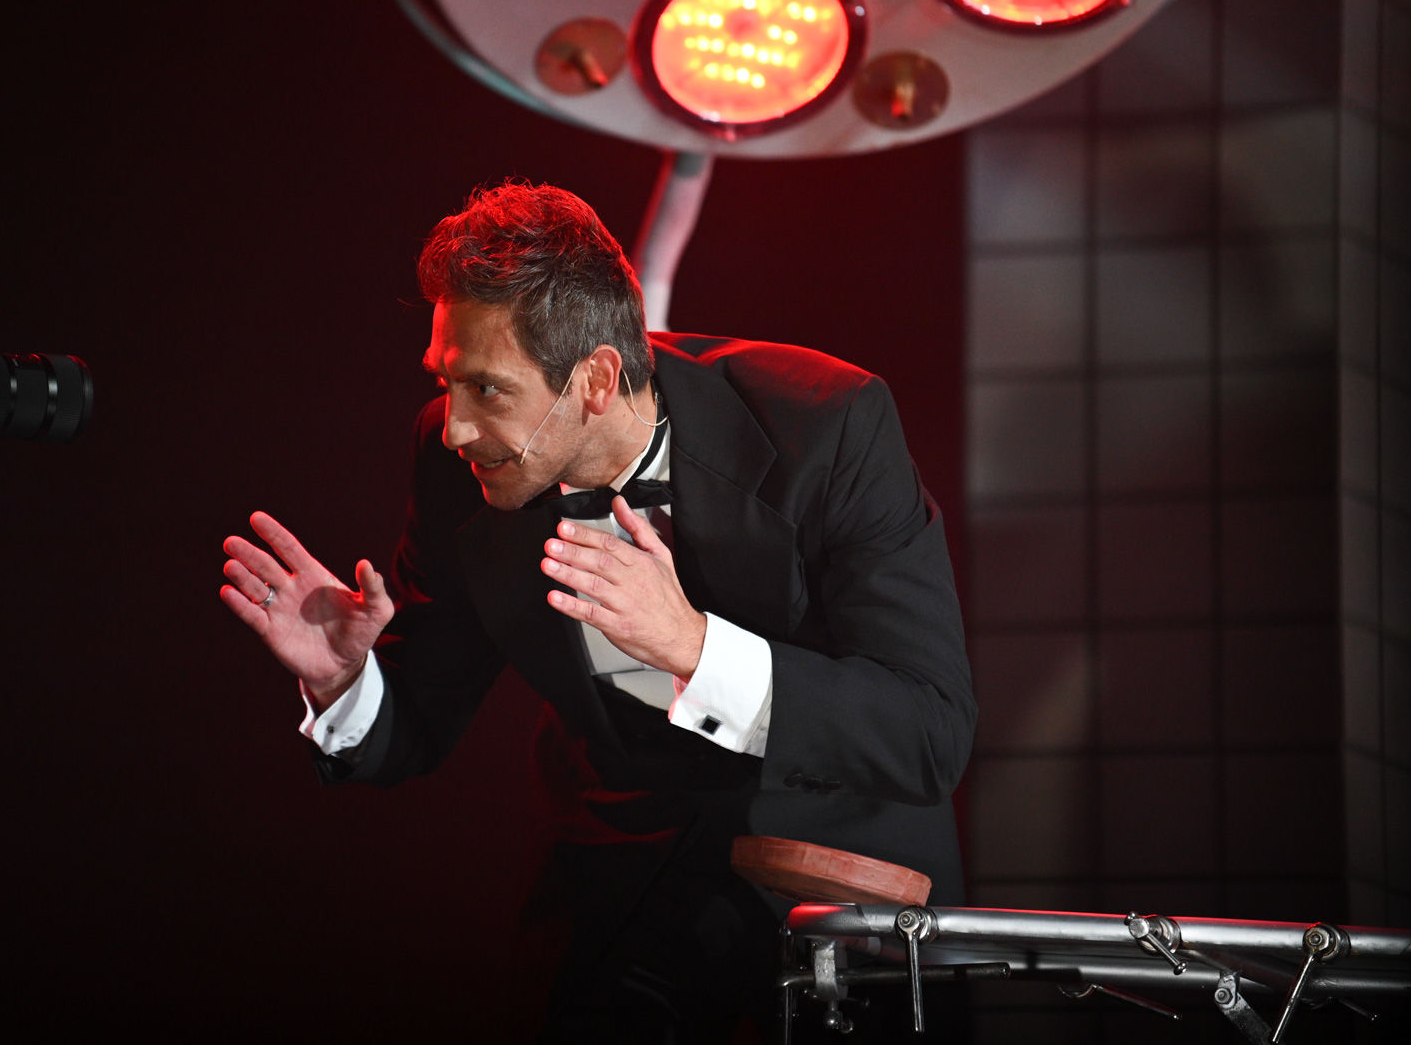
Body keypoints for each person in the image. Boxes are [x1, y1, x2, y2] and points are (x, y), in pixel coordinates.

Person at [220, 182, 975, 1043]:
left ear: (596, 379)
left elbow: (929, 730)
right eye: (446, 382)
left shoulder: (828, 424)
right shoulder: (455, 456)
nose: (456, 427)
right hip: (614, 894)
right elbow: (418, 715)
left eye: (488, 389)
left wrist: (694, 646)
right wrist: (347, 681)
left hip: (839, 889)